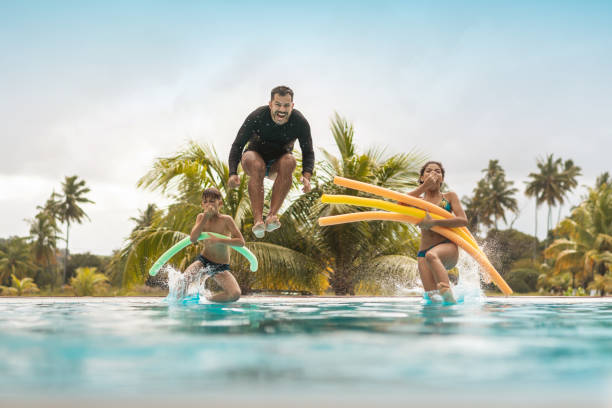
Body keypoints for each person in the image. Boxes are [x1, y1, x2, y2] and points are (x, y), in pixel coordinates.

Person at [227, 86, 314, 238]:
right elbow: (237, 145)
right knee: (257, 164)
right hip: (253, 157)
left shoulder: (300, 122)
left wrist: (307, 177)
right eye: (278, 104)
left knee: (290, 161)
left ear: (292, 106)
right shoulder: (258, 116)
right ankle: (258, 220)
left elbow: (308, 152)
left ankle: (272, 216)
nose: (282, 110)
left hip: (277, 163)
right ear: (270, 104)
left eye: (286, 105)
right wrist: (232, 173)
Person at [406, 161, 468, 304]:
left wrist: (434, 223)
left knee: (432, 255)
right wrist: (424, 187)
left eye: (437, 171)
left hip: (448, 246)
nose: (433, 173)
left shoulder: (449, 197)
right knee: (432, 298)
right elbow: (400, 204)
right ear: (422, 177)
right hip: (423, 253)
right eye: (428, 171)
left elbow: (463, 220)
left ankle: (448, 293)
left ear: (442, 179)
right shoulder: (418, 202)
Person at [178, 187, 244, 302]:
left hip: (220, 265)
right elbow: (193, 238)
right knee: (183, 282)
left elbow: (241, 242)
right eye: (205, 202)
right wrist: (205, 218)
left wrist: (219, 239)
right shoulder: (201, 217)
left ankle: (207, 300)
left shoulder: (226, 220)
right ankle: (179, 303)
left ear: (220, 203)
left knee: (235, 294)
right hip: (204, 260)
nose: (208, 204)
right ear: (202, 205)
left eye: (212, 201)